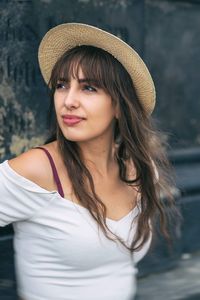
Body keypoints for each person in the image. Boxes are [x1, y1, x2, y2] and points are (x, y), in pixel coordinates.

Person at [0, 23, 176, 300]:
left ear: (119, 105)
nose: (68, 101)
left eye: (89, 88)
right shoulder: (39, 169)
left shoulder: (139, 169)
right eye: (61, 85)